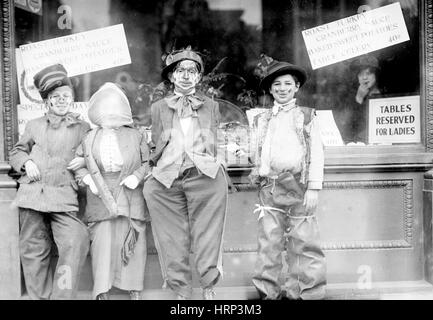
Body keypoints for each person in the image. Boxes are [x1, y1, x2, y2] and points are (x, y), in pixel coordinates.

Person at [143, 47, 228, 300]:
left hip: (203, 174)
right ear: (171, 77)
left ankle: (208, 287)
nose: (186, 76)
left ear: (199, 78)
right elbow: (157, 142)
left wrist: (218, 161)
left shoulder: (211, 106)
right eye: (180, 71)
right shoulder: (158, 107)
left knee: (208, 233)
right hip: (168, 177)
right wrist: (152, 169)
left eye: (192, 71)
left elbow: (215, 139)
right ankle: (180, 289)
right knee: (171, 237)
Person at [9, 64, 90, 300]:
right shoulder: (33, 125)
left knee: (75, 240)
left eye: (67, 96)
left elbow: (92, 153)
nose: (62, 100)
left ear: (72, 100)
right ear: (47, 102)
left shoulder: (82, 127)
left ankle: (61, 297)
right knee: (33, 249)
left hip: (63, 195)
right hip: (32, 194)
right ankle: (39, 297)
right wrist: (27, 163)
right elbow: (16, 152)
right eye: (56, 97)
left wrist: (83, 160)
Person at [250, 57, 326, 300]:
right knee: (268, 243)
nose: (282, 89)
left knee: (304, 243)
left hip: (300, 186)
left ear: (296, 87)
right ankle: (267, 293)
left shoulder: (307, 116)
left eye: (287, 84)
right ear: (270, 90)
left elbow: (317, 153)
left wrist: (314, 187)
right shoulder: (262, 119)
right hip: (270, 187)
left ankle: (305, 293)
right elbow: (257, 151)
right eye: (277, 85)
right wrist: (257, 171)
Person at [73, 83, 150, 300]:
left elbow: (148, 162)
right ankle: (101, 289)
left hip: (130, 191)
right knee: (102, 241)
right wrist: (89, 179)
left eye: (115, 111)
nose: (111, 116)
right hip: (100, 192)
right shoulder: (90, 137)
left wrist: (136, 177)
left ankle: (133, 286)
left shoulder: (136, 135)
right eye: (106, 111)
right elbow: (78, 165)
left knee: (132, 237)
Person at [336, 55, 382, 144]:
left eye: (369, 73)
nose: (364, 77)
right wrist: (359, 98)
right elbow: (346, 128)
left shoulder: (384, 96)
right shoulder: (350, 98)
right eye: (360, 74)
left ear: (376, 75)